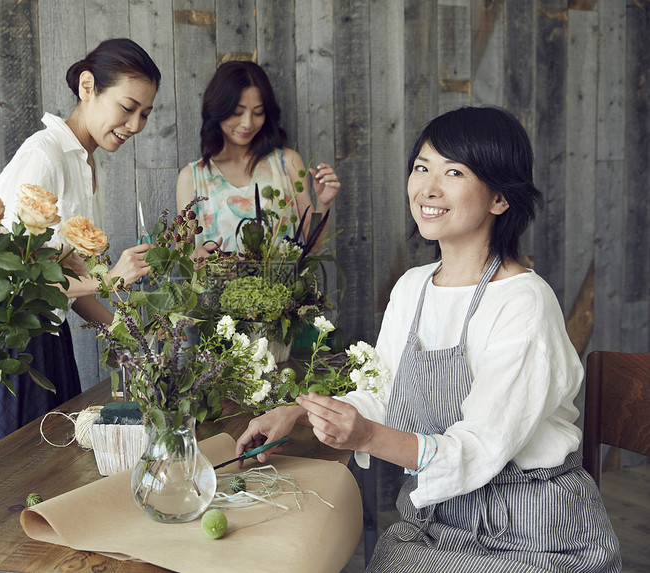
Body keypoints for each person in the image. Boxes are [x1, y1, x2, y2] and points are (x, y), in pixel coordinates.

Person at [236, 106, 621, 572]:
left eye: (454, 172)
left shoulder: (524, 302)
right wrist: (296, 412)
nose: (428, 188)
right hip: (435, 518)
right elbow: (382, 393)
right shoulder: (413, 288)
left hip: (534, 527)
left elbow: (480, 447)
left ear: (499, 198)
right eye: (422, 168)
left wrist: (367, 436)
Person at [0, 38, 160, 449]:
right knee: (17, 470)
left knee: (56, 462)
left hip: (50, 337)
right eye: (128, 108)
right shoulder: (45, 154)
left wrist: (127, 336)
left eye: (145, 114)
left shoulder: (84, 162)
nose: (136, 125)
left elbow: (67, 284)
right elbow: (16, 282)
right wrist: (111, 280)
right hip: (13, 342)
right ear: (87, 86)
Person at [175, 60, 340, 257]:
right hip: (217, 287)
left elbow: (313, 245)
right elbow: (183, 258)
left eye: (258, 112)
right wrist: (194, 257)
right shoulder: (192, 177)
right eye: (237, 112)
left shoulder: (287, 163)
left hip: (283, 288)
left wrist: (323, 203)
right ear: (218, 110)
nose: (247, 123)